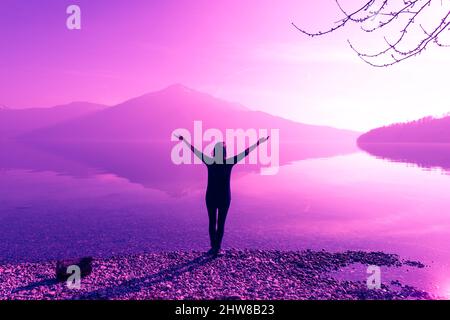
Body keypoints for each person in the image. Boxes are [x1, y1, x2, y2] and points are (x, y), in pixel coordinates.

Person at [175, 135, 269, 256]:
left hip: (211, 197)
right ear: (225, 152)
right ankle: (217, 248)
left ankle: (213, 247)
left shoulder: (209, 161)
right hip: (224, 197)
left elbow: (195, 151)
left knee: (212, 222)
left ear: (214, 152)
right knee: (221, 223)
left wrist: (184, 141)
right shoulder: (229, 162)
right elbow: (245, 152)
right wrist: (258, 143)